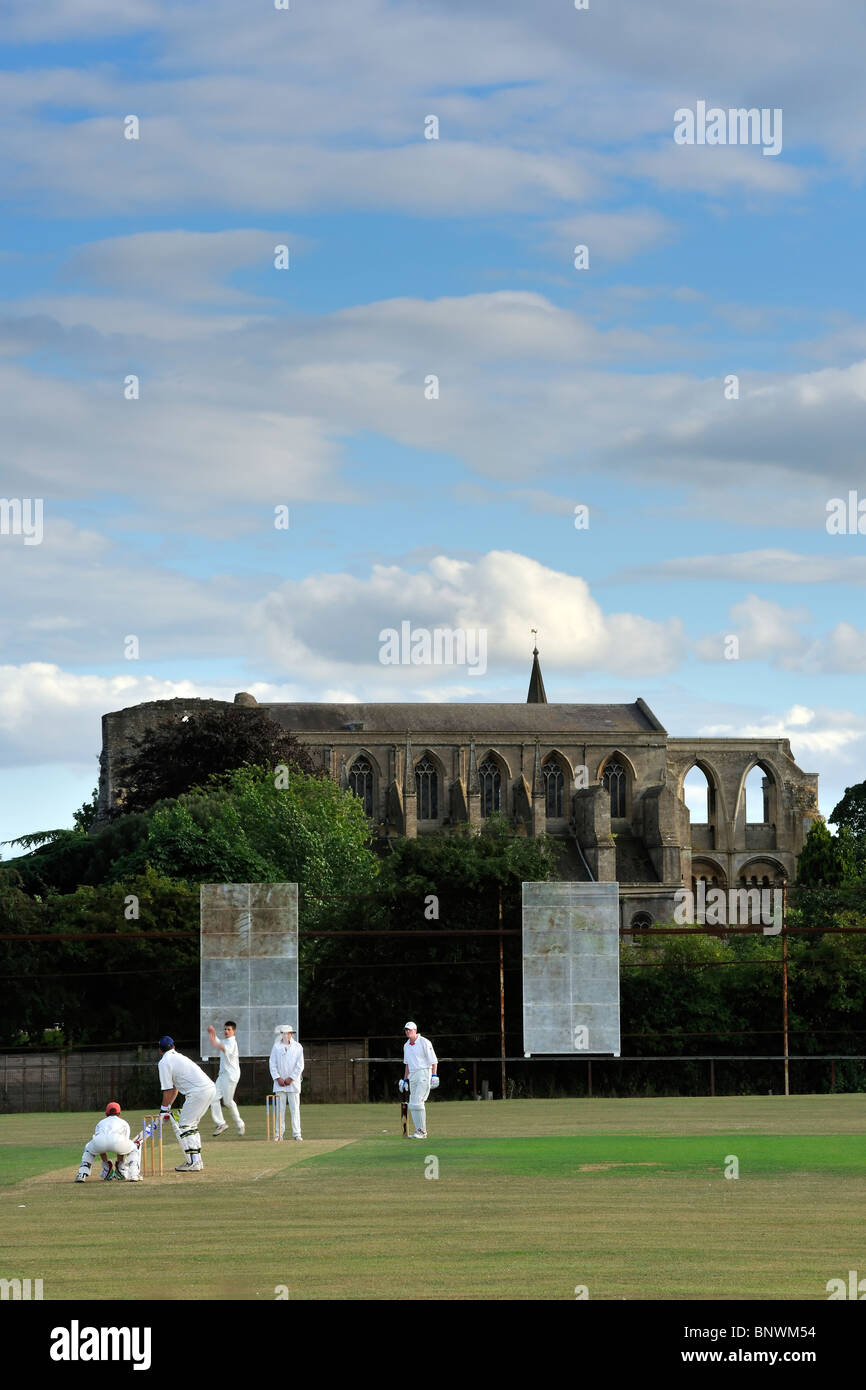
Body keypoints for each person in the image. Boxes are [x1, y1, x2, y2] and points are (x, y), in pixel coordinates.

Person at [157, 1035, 217, 1172]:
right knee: (191, 1125)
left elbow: (167, 1090)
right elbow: (174, 1089)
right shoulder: (180, 1057)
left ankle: (194, 1162)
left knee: (184, 1124)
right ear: (173, 1047)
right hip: (210, 1088)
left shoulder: (164, 1062)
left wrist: (163, 1110)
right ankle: (197, 1161)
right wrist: (167, 1109)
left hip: (198, 1092)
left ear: (160, 1050)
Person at [74, 1102, 140, 1182]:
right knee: (133, 1148)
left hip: (100, 1142)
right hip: (118, 1142)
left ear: (106, 1113)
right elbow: (123, 1146)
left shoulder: (100, 1123)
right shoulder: (124, 1123)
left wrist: (106, 1164)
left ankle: (82, 1174)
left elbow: (99, 1143)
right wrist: (119, 1164)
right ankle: (133, 1175)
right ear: (119, 1113)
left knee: (89, 1148)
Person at [400, 1021, 438, 1139]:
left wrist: (434, 1075)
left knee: (418, 1102)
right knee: (412, 1103)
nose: (407, 1032)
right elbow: (407, 1064)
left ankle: (422, 1132)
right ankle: (418, 1131)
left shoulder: (424, 1042)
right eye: (406, 1030)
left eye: (410, 1030)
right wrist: (405, 1079)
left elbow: (434, 1060)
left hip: (424, 1073)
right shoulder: (406, 1045)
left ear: (415, 1030)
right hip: (412, 1075)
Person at [208, 1020, 245, 1137]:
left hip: (230, 1075)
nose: (226, 1031)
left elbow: (222, 1047)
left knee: (228, 1102)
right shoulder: (225, 1041)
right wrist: (212, 1033)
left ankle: (240, 1123)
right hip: (223, 1074)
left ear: (234, 1031)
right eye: (225, 1029)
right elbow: (218, 1042)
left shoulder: (232, 1043)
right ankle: (221, 1123)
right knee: (213, 1098)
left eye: (229, 1029)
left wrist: (214, 1040)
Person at [268, 1024, 304, 1141]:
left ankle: (297, 1134)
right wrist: (278, 1078)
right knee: (280, 1110)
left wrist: (291, 1078)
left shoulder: (298, 1047)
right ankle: (279, 1134)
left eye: (287, 1033)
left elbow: (300, 1065)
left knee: (295, 1110)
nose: (285, 1035)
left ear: (291, 1034)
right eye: (283, 1033)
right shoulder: (276, 1047)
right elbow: (272, 1064)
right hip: (280, 1084)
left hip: (293, 1084)